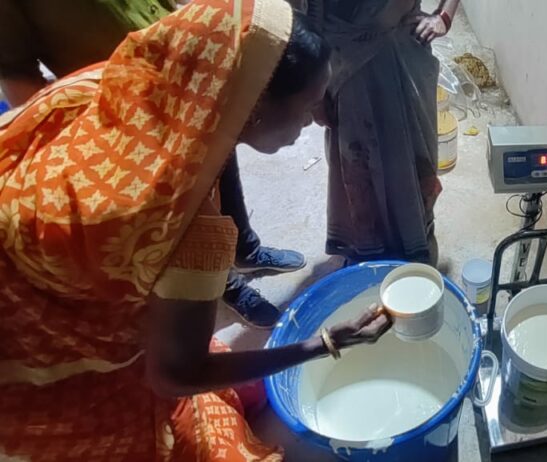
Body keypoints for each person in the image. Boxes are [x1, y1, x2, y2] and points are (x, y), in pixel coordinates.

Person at [0, 0, 392, 459]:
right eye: (307, 106)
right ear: (253, 106)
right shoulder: (184, 227)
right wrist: (323, 344)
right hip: (40, 357)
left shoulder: (109, 87)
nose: (315, 119)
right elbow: (175, 375)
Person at [0, 0, 305, 327]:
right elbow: (18, 76)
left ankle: (245, 249)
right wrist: (78, 143)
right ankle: (225, 284)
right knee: (185, 216)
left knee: (222, 169)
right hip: (127, 120)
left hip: (188, 83)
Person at [302, 0, 460, 266]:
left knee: (414, 165)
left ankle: (415, 249)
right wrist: (312, 94)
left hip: (405, 53)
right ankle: (365, 254)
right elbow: (300, 14)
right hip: (346, 64)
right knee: (358, 168)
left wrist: (444, 16)